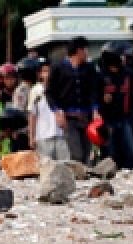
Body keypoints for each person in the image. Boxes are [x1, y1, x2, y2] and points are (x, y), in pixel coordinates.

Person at [46, 36, 101, 164]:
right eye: (85, 49)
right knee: (76, 152)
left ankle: (85, 177)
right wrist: (57, 111)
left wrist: (95, 109)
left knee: (87, 150)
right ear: (78, 51)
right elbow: (50, 92)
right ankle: (77, 177)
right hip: (69, 117)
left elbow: (94, 90)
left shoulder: (89, 68)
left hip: (86, 116)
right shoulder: (58, 68)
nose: (87, 53)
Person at [98, 41, 133, 170]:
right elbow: (92, 98)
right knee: (111, 155)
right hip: (107, 122)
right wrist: (102, 100)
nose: (126, 58)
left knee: (132, 154)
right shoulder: (99, 76)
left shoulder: (128, 74)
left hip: (125, 120)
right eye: (123, 55)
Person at [29, 60, 69, 161]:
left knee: (65, 166)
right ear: (40, 74)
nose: (48, 74)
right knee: (46, 167)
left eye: (50, 71)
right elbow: (33, 115)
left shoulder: (62, 88)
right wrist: (31, 137)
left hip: (61, 135)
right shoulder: (36, 90)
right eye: (45, 71)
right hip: (43, 137)